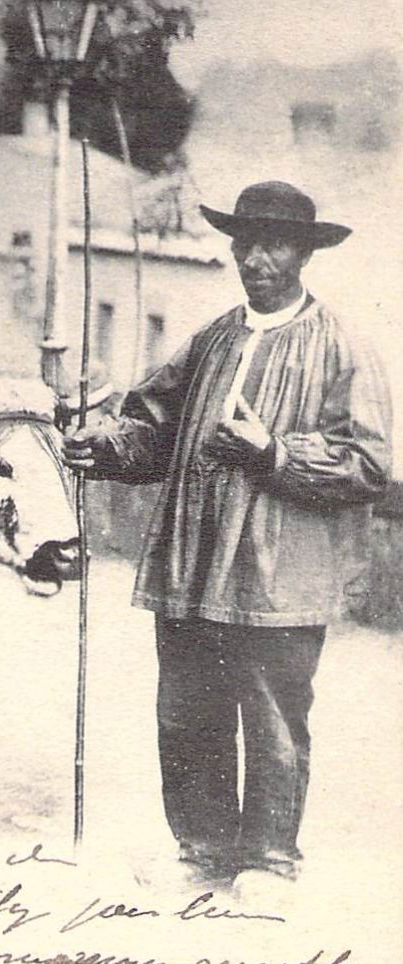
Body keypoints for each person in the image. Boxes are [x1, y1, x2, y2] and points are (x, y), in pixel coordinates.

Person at [64, 181, 393, 891]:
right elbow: (153, 426)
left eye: (273, 243)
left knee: (272, 716)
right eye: (244, 241)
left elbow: (366, 464)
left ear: (305, 252)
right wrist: (109, 446)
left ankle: (270, 859)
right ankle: (202, 847)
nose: (255, 257)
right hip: (190, 560)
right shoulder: (212, 340)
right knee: (185, 709)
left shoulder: (341, 346)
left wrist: (272, 452)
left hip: (279, 574)